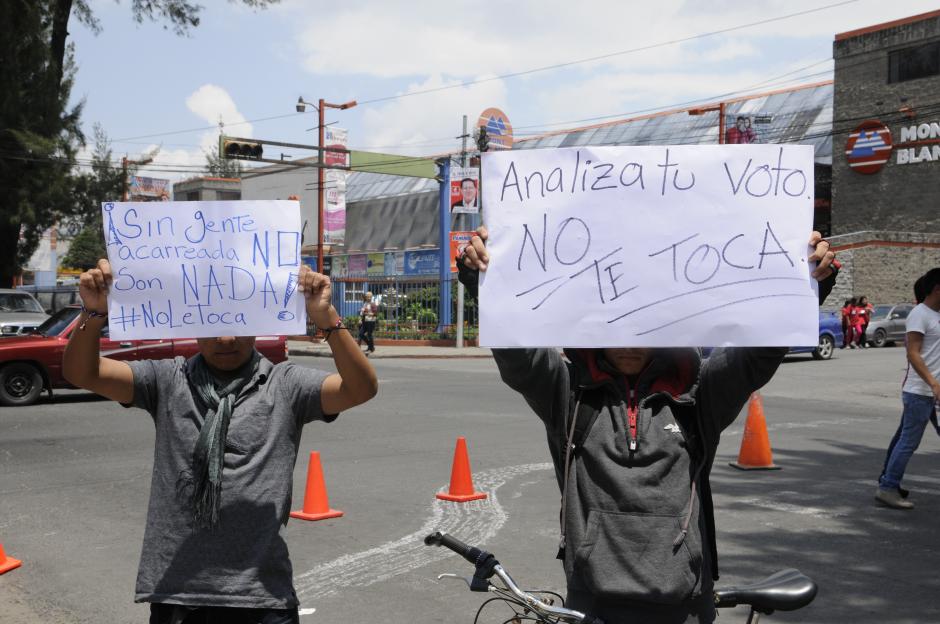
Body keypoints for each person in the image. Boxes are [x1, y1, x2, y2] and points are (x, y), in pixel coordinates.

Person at [457, 227, 837, 623]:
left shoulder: (698, 392)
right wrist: (485, 278)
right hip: (592, 604)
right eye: (616, 321)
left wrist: (806, 283)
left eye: (642, 323)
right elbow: (518, 353)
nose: (628, 339)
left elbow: (760, 353)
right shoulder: (569, 393)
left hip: (684, 606)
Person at [62, 259, 378, 624]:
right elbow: (82, 373)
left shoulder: (285, 384)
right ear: (193, 323)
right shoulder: (168, 379)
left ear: (257, 322)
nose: (225, 339)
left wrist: (327, 319)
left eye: (237, 324)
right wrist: (94, 313)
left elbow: (360, 388)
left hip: (264, 597)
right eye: (213, 324)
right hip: (180, 596)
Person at [875, 267, 940, 510]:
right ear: (937, 289)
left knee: (902, 438)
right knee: (908, 442)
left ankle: (887, 482)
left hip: (930, 391)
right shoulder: (919, 314)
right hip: (921, 392)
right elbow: (913, 353)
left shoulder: (934, 315)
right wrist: (933, 383)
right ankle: (888, 487)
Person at [359, 291, 378, 355]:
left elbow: (375, 314)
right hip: (365, 321)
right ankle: (371, 346)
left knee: (369, 335)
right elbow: (362, 312)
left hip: (371, 321)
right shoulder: (365, 303)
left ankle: (371, 348)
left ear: (371, 297)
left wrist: (367, 313)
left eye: (369, 296)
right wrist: (360, 319)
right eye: (367, 296)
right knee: (361, 334)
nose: (368, 298)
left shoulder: (373, 304)